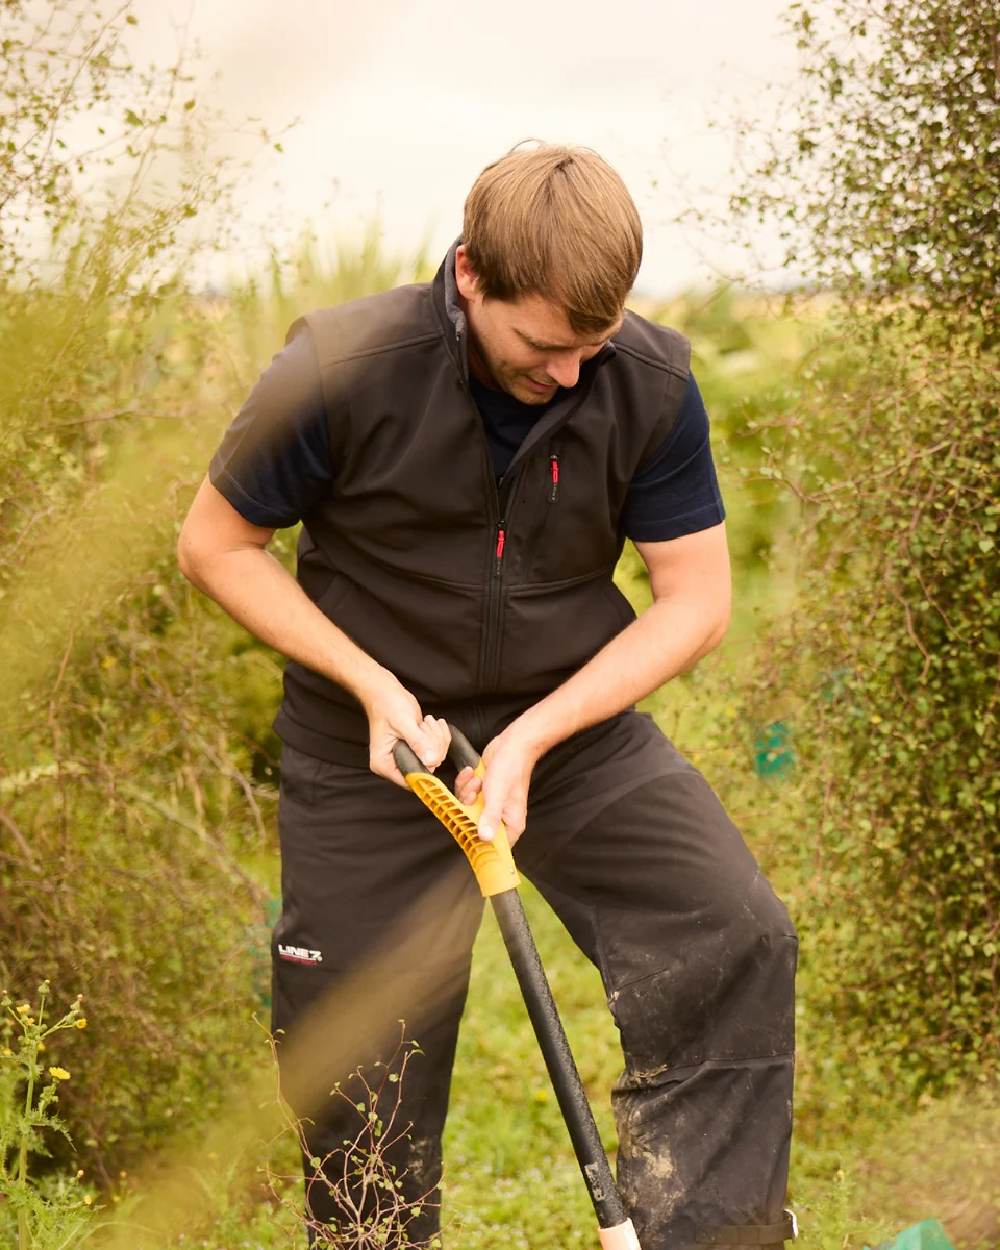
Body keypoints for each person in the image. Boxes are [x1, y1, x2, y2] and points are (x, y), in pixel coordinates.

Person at [178, 144, 797, 1250]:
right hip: (374, 747)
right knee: (363, 1068)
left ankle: (711, 1237)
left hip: (569, 731)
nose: (570, 376)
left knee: (733, 931)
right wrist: (370, 684)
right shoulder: (343, 365)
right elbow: (216, 544)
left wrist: (534, 735)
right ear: (469, 273)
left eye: (591, 346)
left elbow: (698, 599)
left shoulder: (647, 381)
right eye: (543, 346)